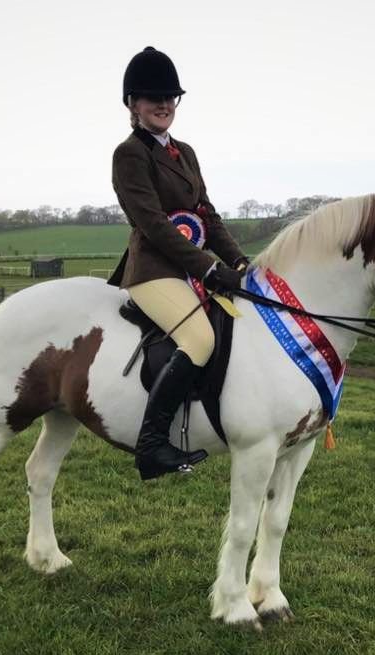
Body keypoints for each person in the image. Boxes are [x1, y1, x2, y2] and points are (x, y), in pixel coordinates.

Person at [109, 46, 249, 481]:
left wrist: (240, 263)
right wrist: (208, 268)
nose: (164, 104)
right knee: (200, 339)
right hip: (152, 271)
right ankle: (152, 445)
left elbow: (207, 214)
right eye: (153, 96)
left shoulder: (184, 152)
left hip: (189, 268)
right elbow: (152, 224)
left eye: (170, 96)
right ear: (133, 104)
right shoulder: (129, 154)